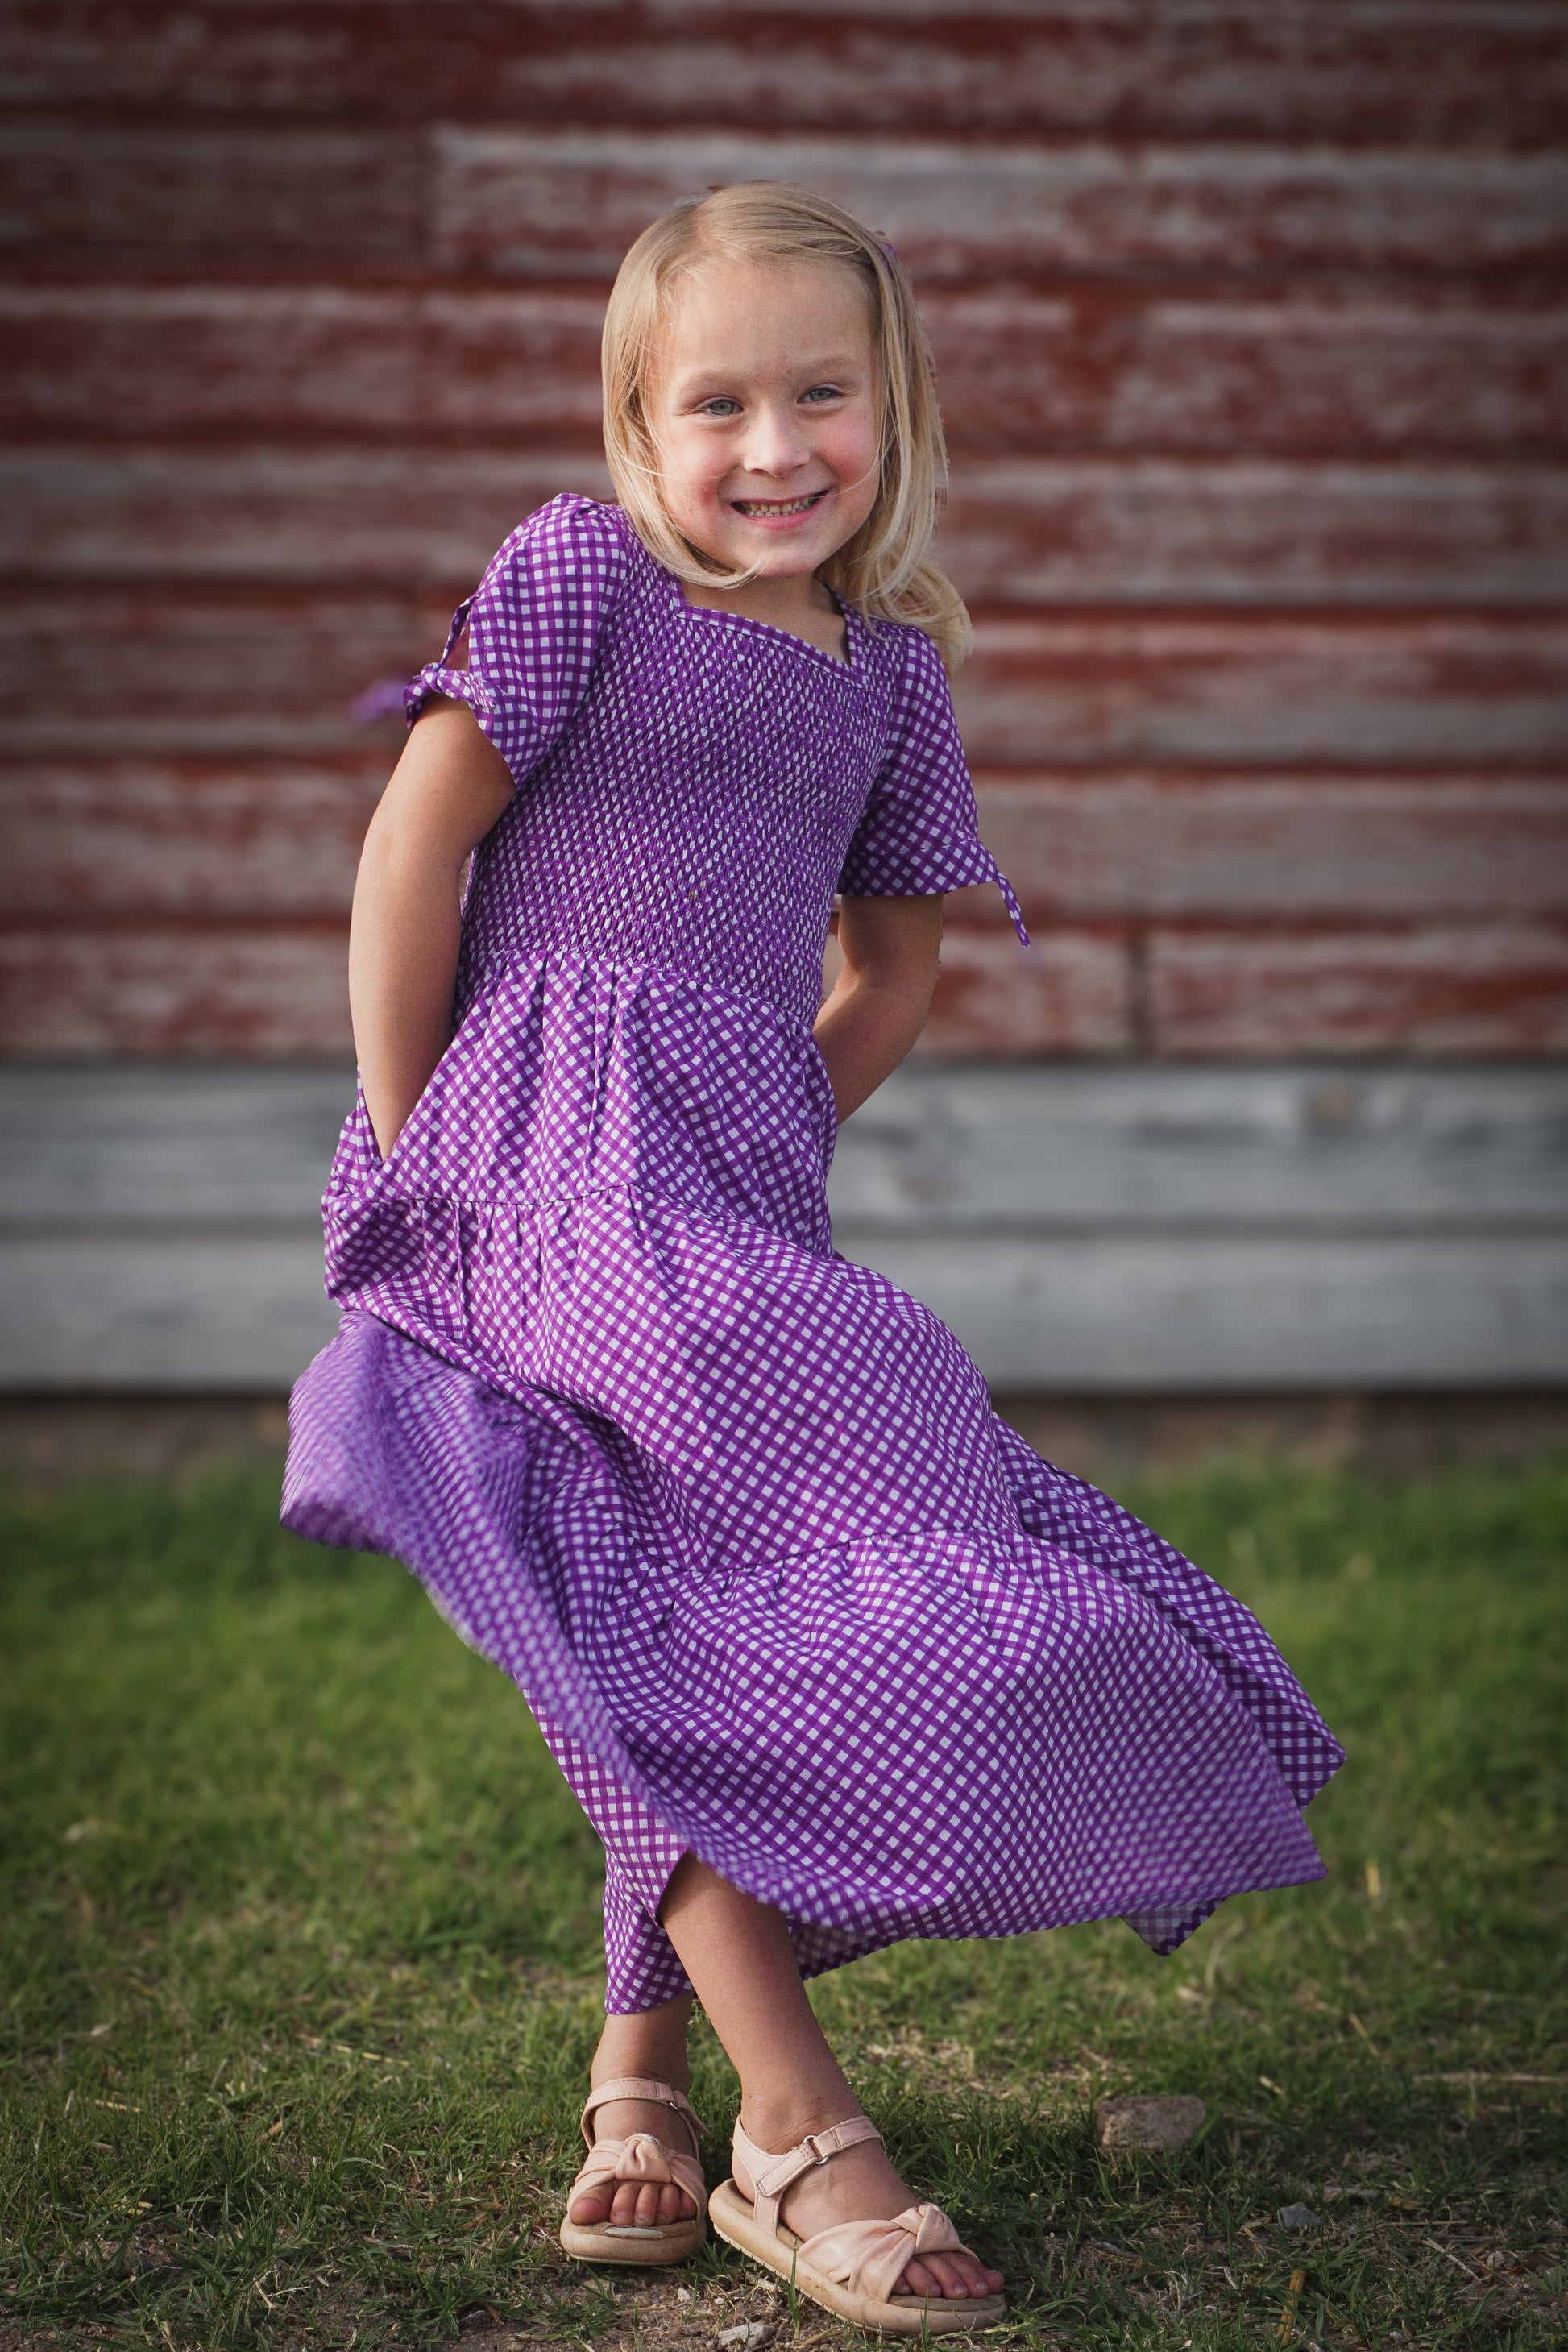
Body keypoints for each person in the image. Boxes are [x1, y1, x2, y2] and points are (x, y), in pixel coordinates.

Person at [283, 180, 1342, 2336]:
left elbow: (892, 963)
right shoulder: (584, 575)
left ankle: (637, 2081)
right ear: (636, 425)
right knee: (640, 1595)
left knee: (736, 1589)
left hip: (721, 1213)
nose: (771, 447)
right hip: (517, 1177)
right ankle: (798, 2124)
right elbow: (419, 835)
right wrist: (425, 1148)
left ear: (894, 407)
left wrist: (759, 1127)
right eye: (716, 404)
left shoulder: (890, 678)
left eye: (817, 396)